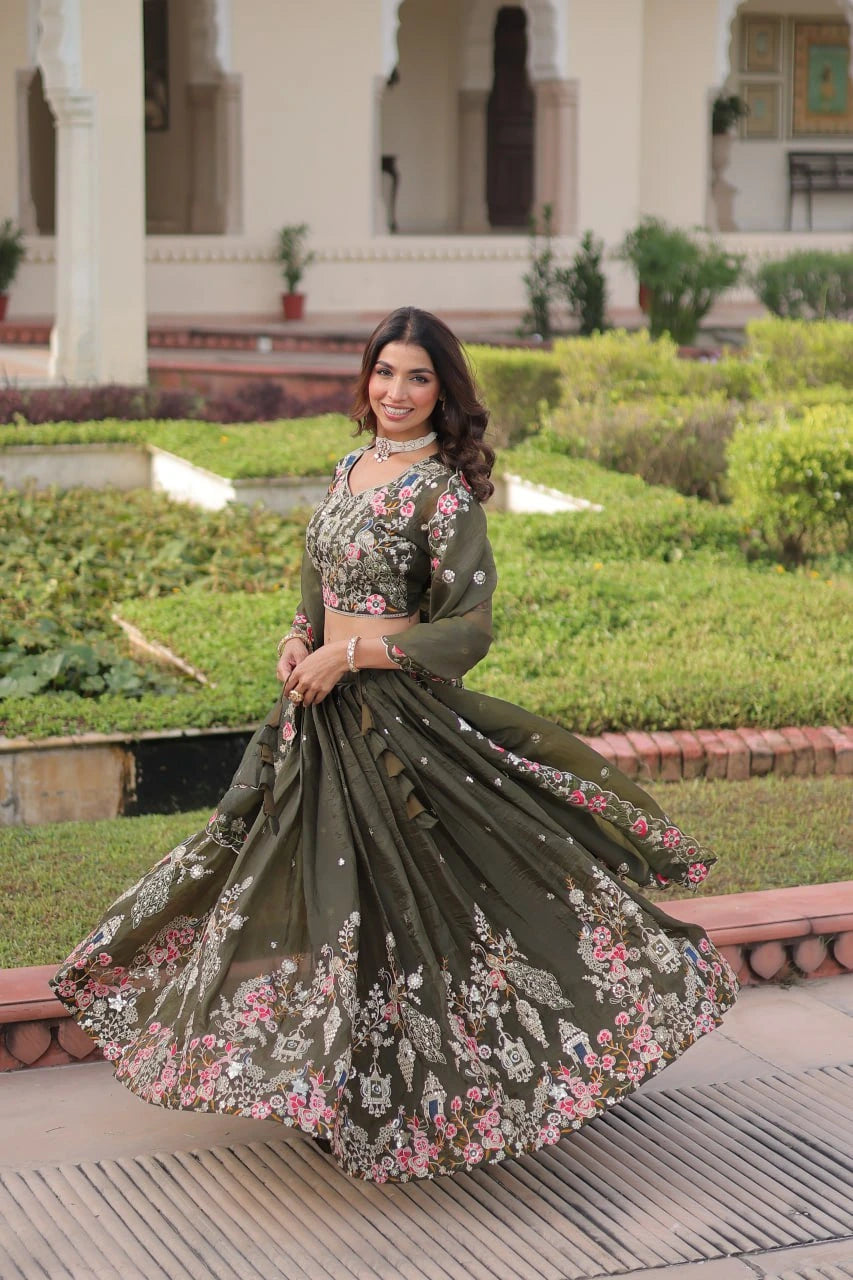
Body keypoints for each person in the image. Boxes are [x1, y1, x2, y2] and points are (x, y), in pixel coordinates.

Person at [51, 307, 738, 1183]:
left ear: (442, 391)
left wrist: (351, 656)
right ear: (366, 378)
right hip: (316, 714)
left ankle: (455, 1084)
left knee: (419, 899)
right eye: (384, 373)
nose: (396, 392)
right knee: (294, 883)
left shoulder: (441, 494)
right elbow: (317, 583)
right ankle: (329, 1077)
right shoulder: (350, 469)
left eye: (417, 377)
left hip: (393, 723)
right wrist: (300, 639)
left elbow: (467, 628)